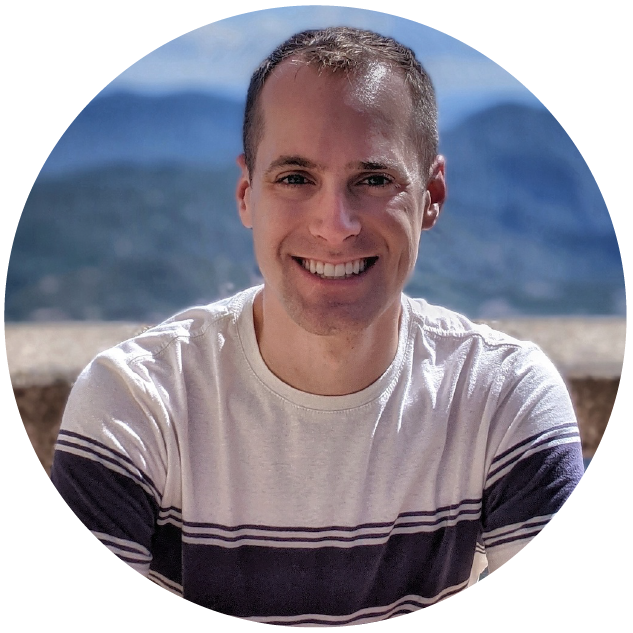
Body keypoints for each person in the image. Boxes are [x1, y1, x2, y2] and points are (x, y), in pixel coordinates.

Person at [51, 27, 584, 625]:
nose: (336, 225)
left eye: (374, 179)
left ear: (431, 194)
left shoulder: (503, 397)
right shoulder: (136, 404)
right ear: (247, 193)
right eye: (296, 178)